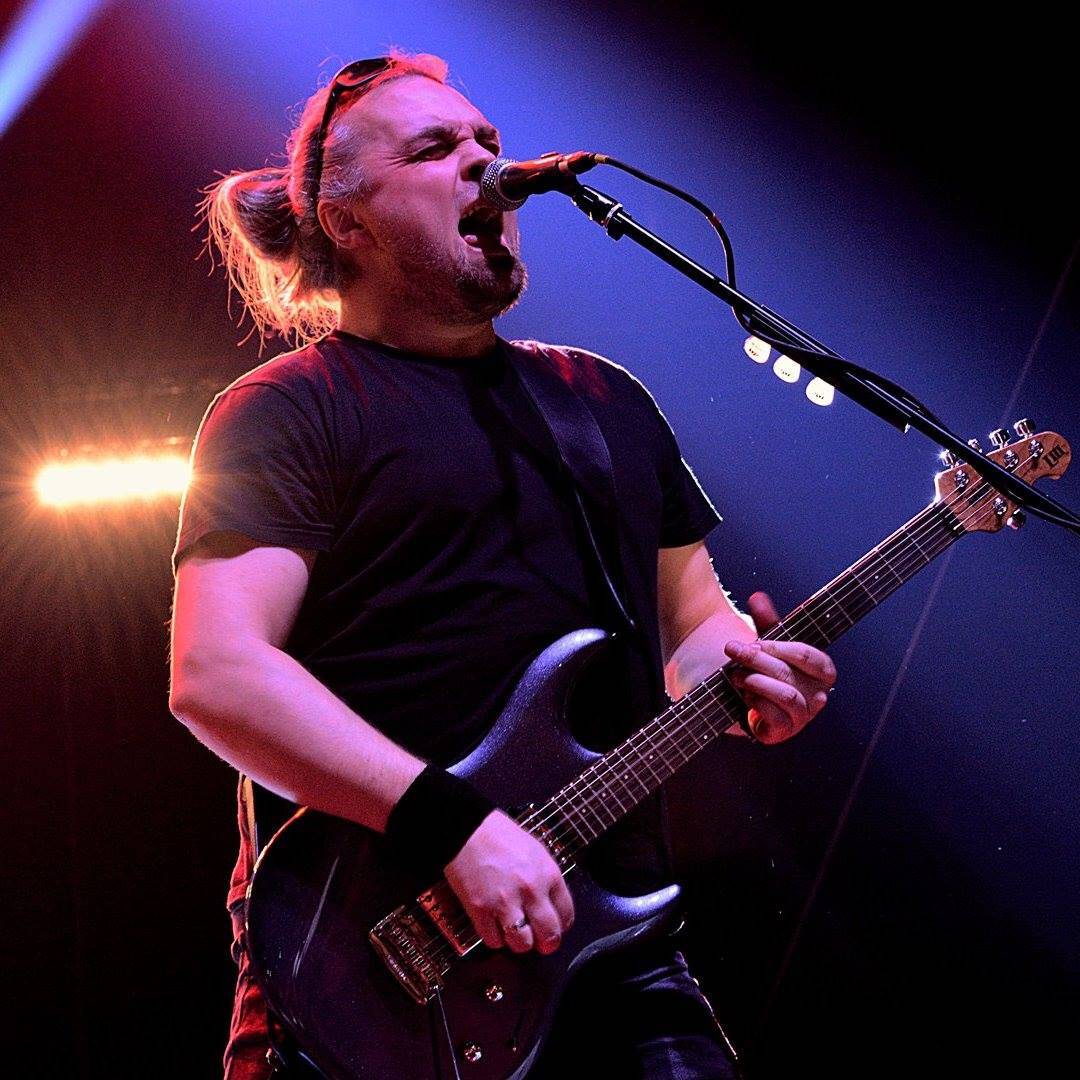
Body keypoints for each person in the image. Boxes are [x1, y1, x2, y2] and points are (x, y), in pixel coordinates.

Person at [169, 51, 837, 1079]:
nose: (486, 165)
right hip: (370, 965)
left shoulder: (602, 399)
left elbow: (695, 626)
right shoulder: (287, 410)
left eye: (487, 140)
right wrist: (454, 826)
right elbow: (217, 673)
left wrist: (749, 677)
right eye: (435, 148)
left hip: (610, 944)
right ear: (346, 222)